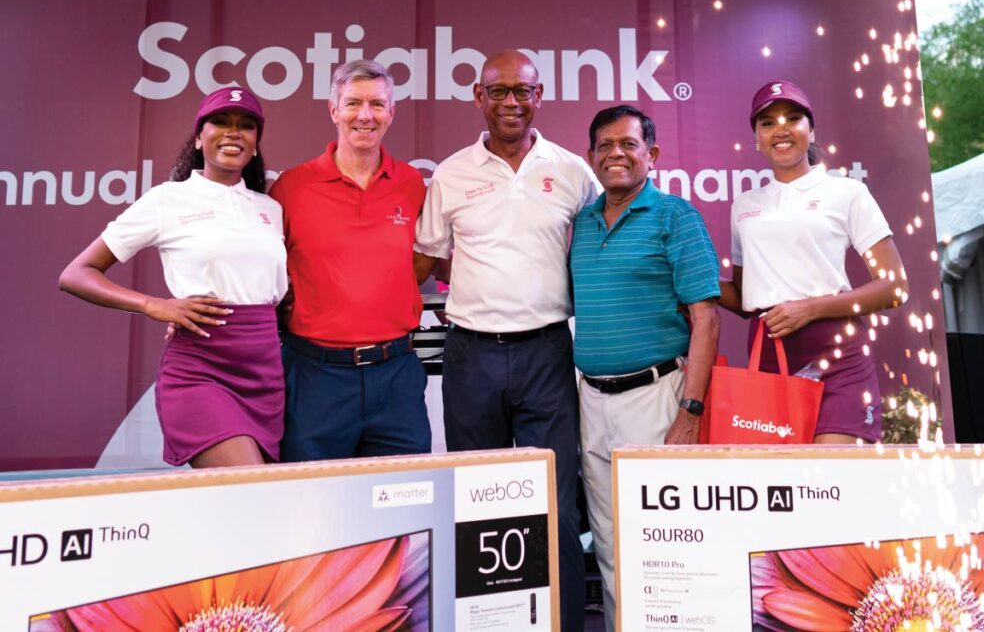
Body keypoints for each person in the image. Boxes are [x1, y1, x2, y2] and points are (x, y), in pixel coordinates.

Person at [414, 50, 596, 632]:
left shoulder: (571, 170)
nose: (512, 102)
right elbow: (424, 261)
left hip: (547, 350)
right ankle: (484, 621)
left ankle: (561, 621)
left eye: (524, 91)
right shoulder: (450, 173)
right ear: (478, 97)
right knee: (474, 495)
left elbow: (607, 241)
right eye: (499, 91)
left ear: (540, 96)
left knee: (555, 501)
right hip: (471, 354)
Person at [59, 87, 287, 468]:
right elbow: (76, 274)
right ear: (199, 137)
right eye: (221, 122)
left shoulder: (271, 207)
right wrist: (155, 305)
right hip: (201, 371)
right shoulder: (167, 200)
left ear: (255, 142)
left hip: (265, 373)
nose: (234, 132)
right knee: (249, 485)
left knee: (250, 510)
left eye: (246, 126)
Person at [570, 105, 720, 630]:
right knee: (609, 542)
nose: (616, 153)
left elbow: (706, 319)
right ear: (591, 157)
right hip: (590, 400)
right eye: (605, 145)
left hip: (658, 397)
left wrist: (690, 411)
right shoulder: (582, 225)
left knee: (664, 544)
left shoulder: (676, 216)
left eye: (629, 144)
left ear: (651, 155)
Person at [719, 80, 909, 443]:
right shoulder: (743, 206)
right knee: (781, 487)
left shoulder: (848, 192)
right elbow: (745, 298)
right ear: (756, 139)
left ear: (811, 129)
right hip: (769, 355)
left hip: (839, 354)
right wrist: (689, 281)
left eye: (793, 118)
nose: (781, 129)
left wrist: (809, 309)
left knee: (835, 480)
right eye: (767, 122)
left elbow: (895, 287)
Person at [269, 59, 430, 461]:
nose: (365, 115)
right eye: (353, 103)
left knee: (405, 504)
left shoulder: (411, 184)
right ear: (333, 110)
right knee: (311, 505)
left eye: (377, 104)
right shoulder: (292, 186)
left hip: (396, 374)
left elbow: (432, 259)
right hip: (315, 376)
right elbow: (256, 269)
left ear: (391, 113)